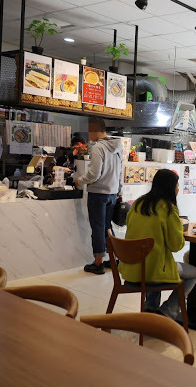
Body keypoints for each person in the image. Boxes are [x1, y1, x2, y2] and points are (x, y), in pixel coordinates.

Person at [119, 169, 196, 319]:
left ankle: (150, 308)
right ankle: (168, 310)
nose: (178, 188)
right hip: (153, 272)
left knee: (154, 259)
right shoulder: (168, 209)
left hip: (131, 270)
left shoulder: (138, 204)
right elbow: (176, 246)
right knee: (193, 273)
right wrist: (180, 231)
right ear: (171, 187)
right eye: (177, 185)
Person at [73, 117, 123, 275]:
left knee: (98, 228)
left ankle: (98, 263)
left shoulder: (98, 148)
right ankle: (114, 260)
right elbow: (120, 172)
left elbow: (94, 174)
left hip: (98, 194)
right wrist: (119, 190)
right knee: (107, 227)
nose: (88, 135)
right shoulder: (117, 147)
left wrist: (80, 181)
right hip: (112, 193)